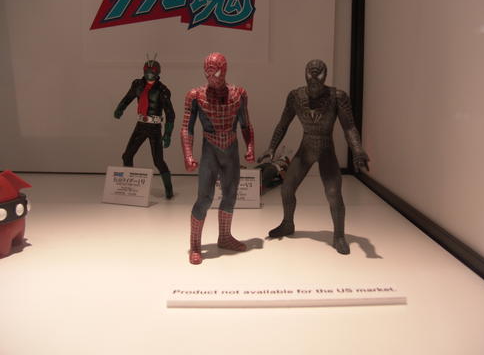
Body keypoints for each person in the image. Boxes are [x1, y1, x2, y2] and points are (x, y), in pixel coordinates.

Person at [258, 59, 369, 254]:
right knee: (287, 188)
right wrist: (271, 148)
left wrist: (358, 150)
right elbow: (283, 124)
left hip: (326, 149)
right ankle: (288, 223)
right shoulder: (295, 96)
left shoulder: (337, 97)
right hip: (306, 148)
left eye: (319, 73)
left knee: (333, 193)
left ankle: (339, 236)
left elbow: (349, 127)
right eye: (311, 73)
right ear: (305, 74)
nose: (315, 78)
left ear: (326, 75)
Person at [180, 52, 255, 264]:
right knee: (204, 198)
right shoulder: (195, 95)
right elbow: (186, 127)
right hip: (210, 150)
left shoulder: (239, 94)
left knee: (230, 194)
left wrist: (250, 146)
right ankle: (195, 245)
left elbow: (246, 124)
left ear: (225, 70)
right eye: (208, 73)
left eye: (216, 73)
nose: (212, 78)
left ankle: (225, 236)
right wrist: (188, 154)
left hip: (231, 149)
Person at [114, 55, 175, 199]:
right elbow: (128, 98)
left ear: (158, 72)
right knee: (127, 155)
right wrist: (120, 108)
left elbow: (170, 113)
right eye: (147, 71)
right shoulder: (137, 85)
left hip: (154, 127)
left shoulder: (162, 90)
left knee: (158, 161)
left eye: (152, 71)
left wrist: (167, 133)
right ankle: (129, 186)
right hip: (141, 125)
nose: (149, 74)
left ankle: (169, 189)